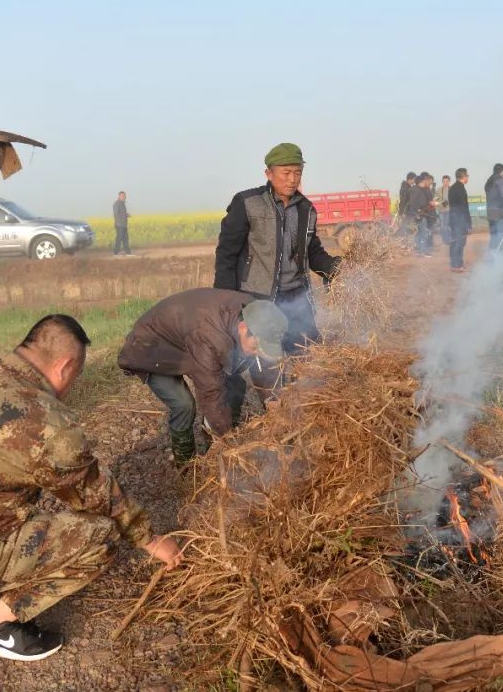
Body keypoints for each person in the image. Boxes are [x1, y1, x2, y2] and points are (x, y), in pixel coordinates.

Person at [0, 314, 181, 661]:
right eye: (76, 376)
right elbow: (96, 495)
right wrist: (151, 540)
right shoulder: (45, 420)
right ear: (65, 366)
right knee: (99, 536)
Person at [118, 288, 287, 462]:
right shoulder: (209, 335)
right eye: (255, 348)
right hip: (151, 348)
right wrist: (227, 439)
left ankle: (212, 444)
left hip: (186, 337)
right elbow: (210, 392)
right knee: (184, 405)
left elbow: (263, 363)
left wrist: (271, 398)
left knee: (233, 385)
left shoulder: (257, 312)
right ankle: (185, 465)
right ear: (243, 328)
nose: (256, 353)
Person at [214, 143, 340, 354]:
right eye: (286, 172)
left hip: (297, 297)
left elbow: (312, 251)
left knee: (306, 354)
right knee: (260, 359)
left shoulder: (306, 208)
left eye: (298, 172)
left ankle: (298, 387)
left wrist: (336, 268)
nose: (292, 179)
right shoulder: (248, 204)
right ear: (269, 174)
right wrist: (226, 302)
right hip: (258, 298)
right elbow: (226, 254)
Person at [448, 168, 472, 272]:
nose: (468, 178)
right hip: (459, 219)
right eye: (467, 176)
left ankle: (456, 263)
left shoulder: (452, 187)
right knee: (459, 242)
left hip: (453, 218)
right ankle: (457, 265)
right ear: (463, 176)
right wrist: (468, 223)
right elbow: (464, 207)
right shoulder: (461, 189)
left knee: (455, 242)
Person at [407, 173, 435, 256]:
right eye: (424, 182)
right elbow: (413, 203)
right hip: (419, 215)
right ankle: (423, 251)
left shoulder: (419, 190)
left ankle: (419, 250)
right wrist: (417, 213)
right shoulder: (416, 190)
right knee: (424, 233)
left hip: (421, 214)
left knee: (420, 233)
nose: (425, 183)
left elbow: (421, 202)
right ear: (420, 182)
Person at [485, 163, 503, 253]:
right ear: (502, 172)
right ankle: (500, 255)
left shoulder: (489, 181)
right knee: (501, 234)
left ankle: (492, 254)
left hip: (490, 211)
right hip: (500, 211)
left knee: (493, 234)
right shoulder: (500, 180)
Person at [112, 190, 131, 256]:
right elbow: (116, 214)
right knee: (119, 238)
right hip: (120, 225)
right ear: (119, 196)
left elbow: (121, 213)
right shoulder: (117, 203)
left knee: (126, 238)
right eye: (123, 196)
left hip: (124, 225)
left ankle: (128, 253)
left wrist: (126, 215)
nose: (124, 197)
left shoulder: (122, 204)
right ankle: (115, 253)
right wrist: (120, 222)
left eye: (125, 195)